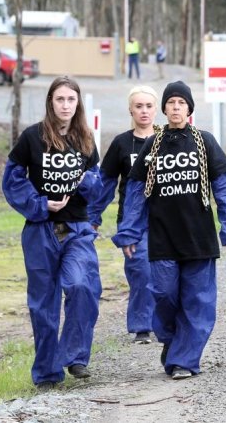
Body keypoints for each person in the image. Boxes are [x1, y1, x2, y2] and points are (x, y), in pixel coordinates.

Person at [112, 81, 226, 380]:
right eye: (170, 102)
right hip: (163, 237)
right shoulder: (152, 145)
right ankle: (171, 340)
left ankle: (184, 360)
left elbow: (224, 185)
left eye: (181, 103)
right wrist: (129, 231)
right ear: (164, 108)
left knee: (198, 301)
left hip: (198, 238)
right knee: (164, 295)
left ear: (189, 109)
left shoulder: (204, 141)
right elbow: (134, 192)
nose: (175, 107)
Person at [2, 76, 103, 390]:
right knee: (42, 304)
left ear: (78, 104)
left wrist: (88, 184)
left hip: (77, 228)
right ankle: (47, 373)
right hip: (40, 230)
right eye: (60, 99)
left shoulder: (85, 138)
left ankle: (75, 356)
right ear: (51, 102)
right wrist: (40, 204)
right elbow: (12, 179)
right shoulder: (32, 137)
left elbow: (97, 178)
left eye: (71, 100)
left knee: (83, 285)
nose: (65, 105)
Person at [88, 86, 159, 344]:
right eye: (138, 106)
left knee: (165, 272)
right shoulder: (121, 143)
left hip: (166, 219)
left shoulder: (168, 139)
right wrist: (93, 218)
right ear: (130, 109)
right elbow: (105, 184)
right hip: (132, 223)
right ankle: (142, 326)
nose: (144, 111)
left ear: (156, 109)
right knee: (141, 269)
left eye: (149, 106)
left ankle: (166, 323)